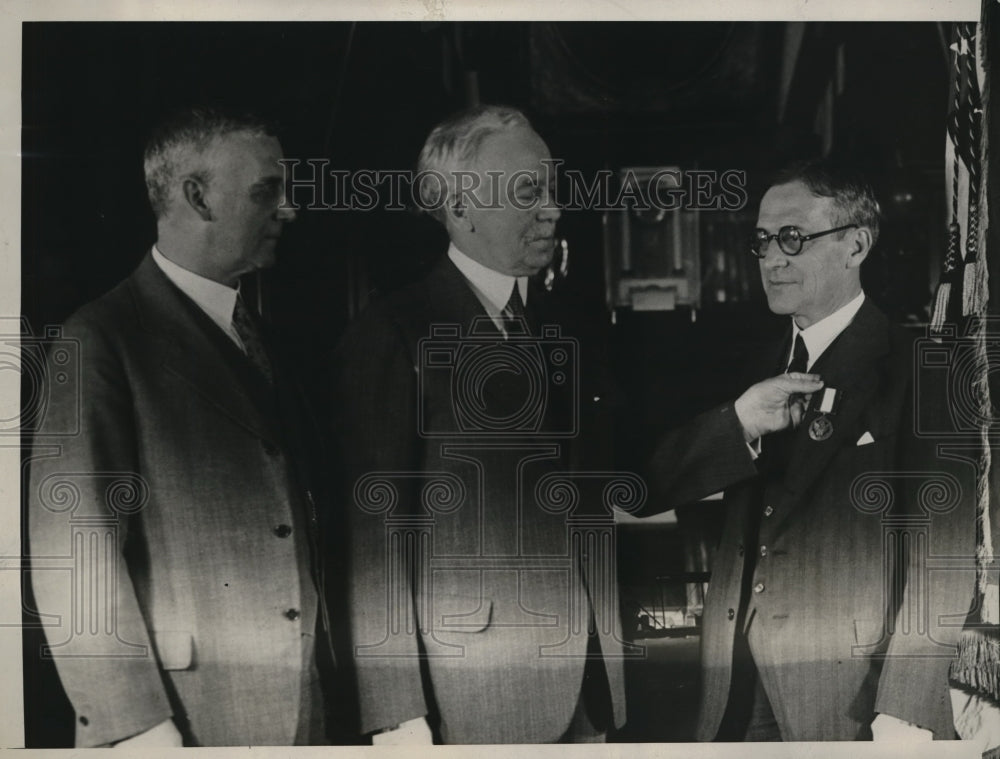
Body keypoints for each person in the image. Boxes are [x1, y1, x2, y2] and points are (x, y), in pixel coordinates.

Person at [27, 106, 335, 747]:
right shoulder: (101, 339)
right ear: (196, 196)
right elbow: (72, 556)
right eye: (267, 191)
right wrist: (138, 728)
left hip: (301, 714)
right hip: (177, 724)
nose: (290, 210)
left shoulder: (264, 339)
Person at [645, 160, 976, 741]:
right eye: (763, 241)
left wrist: (907, 709)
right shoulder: (754, 369)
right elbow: (652, 487)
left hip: (854, 695)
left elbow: (942, 557)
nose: (773, 258)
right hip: (735, 686)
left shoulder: (921, 367)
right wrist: (741, 420)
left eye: (793, 238)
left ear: (855, 245)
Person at [333, 104, 628, 744]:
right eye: (528, 190)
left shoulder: (566, 324)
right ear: (461, 206)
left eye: (552, 187)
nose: (552, 207)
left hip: (589, 681)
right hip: (470, 693)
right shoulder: (393, 331)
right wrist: (395, 715)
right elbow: (373, 538)